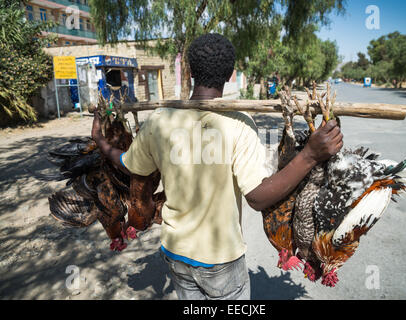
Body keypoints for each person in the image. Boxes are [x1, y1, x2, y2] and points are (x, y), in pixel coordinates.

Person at [91, 33, 343, 300]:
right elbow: (257, 197)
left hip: (176, 253)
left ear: (189, 71)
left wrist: (99, 140)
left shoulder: (159, 120)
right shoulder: (239, 124)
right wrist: (309, 157)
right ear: (230, 74)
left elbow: (129, 165)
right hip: (221, 261)